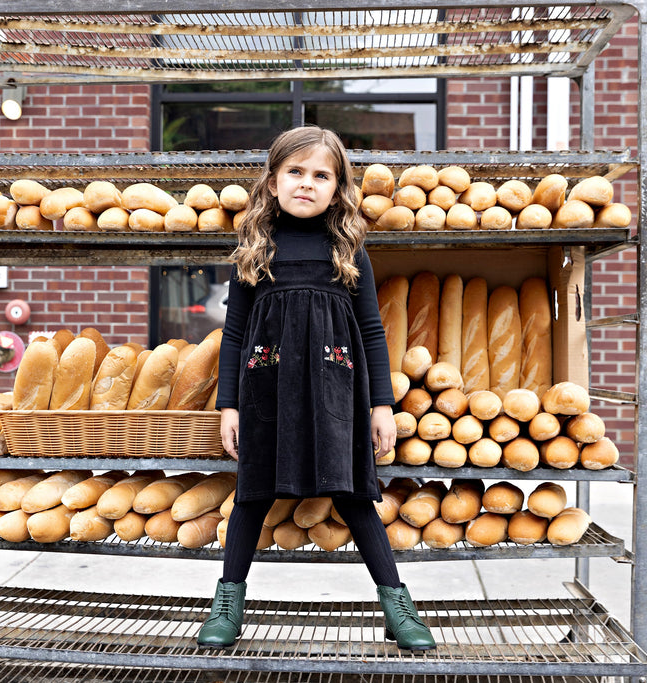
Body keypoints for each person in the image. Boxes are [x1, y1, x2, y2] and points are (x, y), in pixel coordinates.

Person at [196, 125, 435, 651]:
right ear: (274, 181)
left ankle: (398, 607)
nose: (307, 183)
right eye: (295, 172)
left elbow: (372, 329)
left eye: (321, 175)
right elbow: (234, 334)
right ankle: (227, 604)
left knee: (354, 497)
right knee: (252, 496)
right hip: (267, 388)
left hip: (335, 392)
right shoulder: (254, 249)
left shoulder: (348, 249)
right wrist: (228, 405)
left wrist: (381, 404)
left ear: (337, 186)